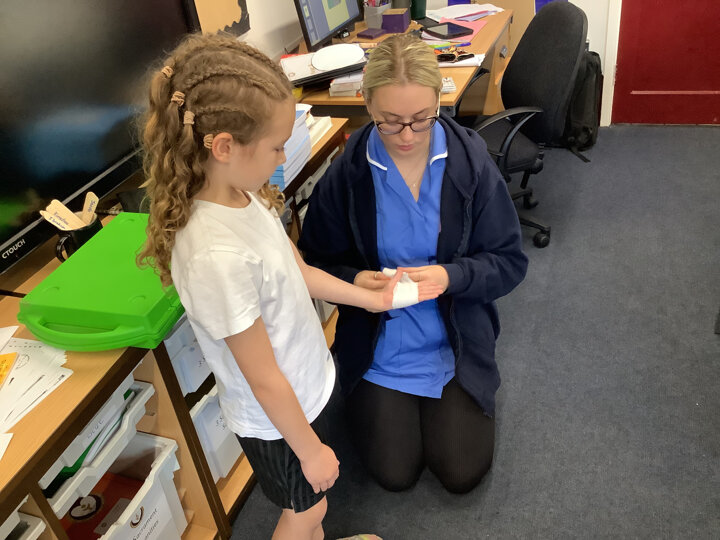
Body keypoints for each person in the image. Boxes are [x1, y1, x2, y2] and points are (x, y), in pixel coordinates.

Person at [137, 33, 442, 540]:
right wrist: (309, 449)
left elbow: (296, 269)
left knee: (315, 508)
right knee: (305, 513)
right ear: (224, 146)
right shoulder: (215, 255)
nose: (283, 158)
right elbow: (262, 380)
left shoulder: (242, 194)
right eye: (277, 146)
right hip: (278, 423)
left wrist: (371, 297)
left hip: (304, 391)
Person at [298, 33, 529, 495]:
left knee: (461, 472)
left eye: (422, 119)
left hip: (454, 335)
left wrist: (452, 276)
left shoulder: (471, 166)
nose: (407, 136)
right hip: (380, 339)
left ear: (440, 100)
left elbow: (508, 262)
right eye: (389, 122)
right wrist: (355, 282)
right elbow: (315, 263)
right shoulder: (348, 175)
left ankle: (456, 395)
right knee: (395, 473)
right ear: (367, 104)